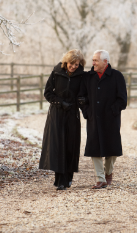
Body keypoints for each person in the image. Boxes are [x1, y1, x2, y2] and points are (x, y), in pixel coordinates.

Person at [78, 50, 127, 189]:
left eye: (96, 60)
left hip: (111, 119)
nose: (93, 63)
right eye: (93, 60)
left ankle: (108, 172)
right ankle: (100, 179)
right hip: (93, 118)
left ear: (105, 62)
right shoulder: (88, 77)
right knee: (95, 148)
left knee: (112, 149)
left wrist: (113, 111)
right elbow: (81, 98)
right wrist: (87, 112)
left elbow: (122, 100)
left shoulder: (117, 76)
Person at [39, 49, 86, 190]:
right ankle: (59, 180)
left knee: (70, 145)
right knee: (58, 145)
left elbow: (83, 93)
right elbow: (47, 93)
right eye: (72, 63)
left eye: (77, 64)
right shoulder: (56, 72)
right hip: (57, 114)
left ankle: (68, 178)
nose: (74, 67)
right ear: (66, 62)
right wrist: (60, 103)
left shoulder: (81, 76)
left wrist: (79, 102)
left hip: (72, 113)